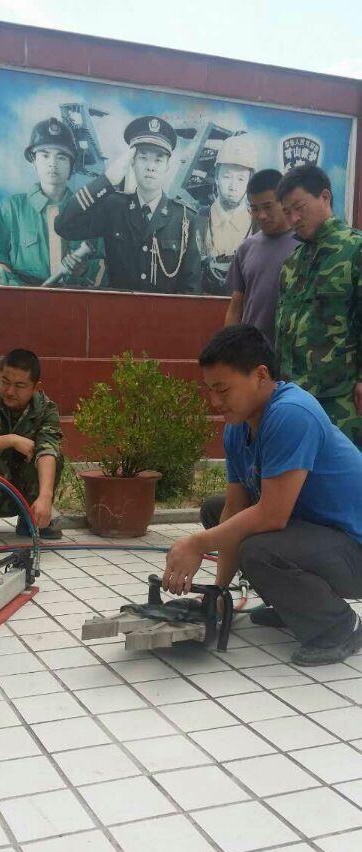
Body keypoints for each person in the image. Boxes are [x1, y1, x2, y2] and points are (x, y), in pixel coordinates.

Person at [162, 326, 362, 666]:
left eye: (223, 390)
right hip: (324, 536)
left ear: (260, 375)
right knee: (216, 513)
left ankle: (338, 627)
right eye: (210, 390)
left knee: (258, 549)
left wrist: (196, 544)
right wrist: (219, 594)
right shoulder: (238, 427)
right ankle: (294, 604)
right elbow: (234, 509)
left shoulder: (292, 413)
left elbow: (271, 515)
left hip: (354, 547)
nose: (215, 402)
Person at [54, 115, 201, 294]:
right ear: (132, 162)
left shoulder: (185, 218)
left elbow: (191, 290)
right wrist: (107, 180)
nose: (151, 167)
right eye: (143, 158)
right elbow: (64, 226)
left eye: (158, 160)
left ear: (167, 166)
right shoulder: (114, 208)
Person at [275, 164, 362, 447]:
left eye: (299, 207)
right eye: (287, 212)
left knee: (346, 471)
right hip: (295, 398)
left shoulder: (355, 249)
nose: (294, 219)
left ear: (325, 197)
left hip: (341, 399)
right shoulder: (292, 263)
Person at [0, 117, 105, 288]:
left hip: (76, 301)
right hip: (23, 301)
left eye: (61, 157)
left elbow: (106, 267)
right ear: (34, 162)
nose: (52, 163)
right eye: (45, 155)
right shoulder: (13, 208)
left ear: (71, 165)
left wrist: (84, 271)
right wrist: (21, 292)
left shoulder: (88, 211)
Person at [0, 349, 64, 541]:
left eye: (19, 386)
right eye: (5, 382)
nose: (10, 391)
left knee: (53, 458)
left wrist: (45, 497)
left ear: (36, 387)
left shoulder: (46, 409)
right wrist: (11, 440)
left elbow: (48, 449)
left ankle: (32, 520)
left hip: (22, 489)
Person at [224, 169, 299, 345]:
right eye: (255, 209)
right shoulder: (246, 248)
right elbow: (235, 307)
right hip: (251, 351)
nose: (261, 215)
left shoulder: (305, 245)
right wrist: (228, 348)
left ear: (284, 202)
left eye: (268, 207)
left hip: (292, 352)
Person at [197, 133, 256, 295]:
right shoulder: (196, 219)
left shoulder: (260, 226)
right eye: (227, 176)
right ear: (216, 177)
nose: (232, 186)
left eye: (241, 179)